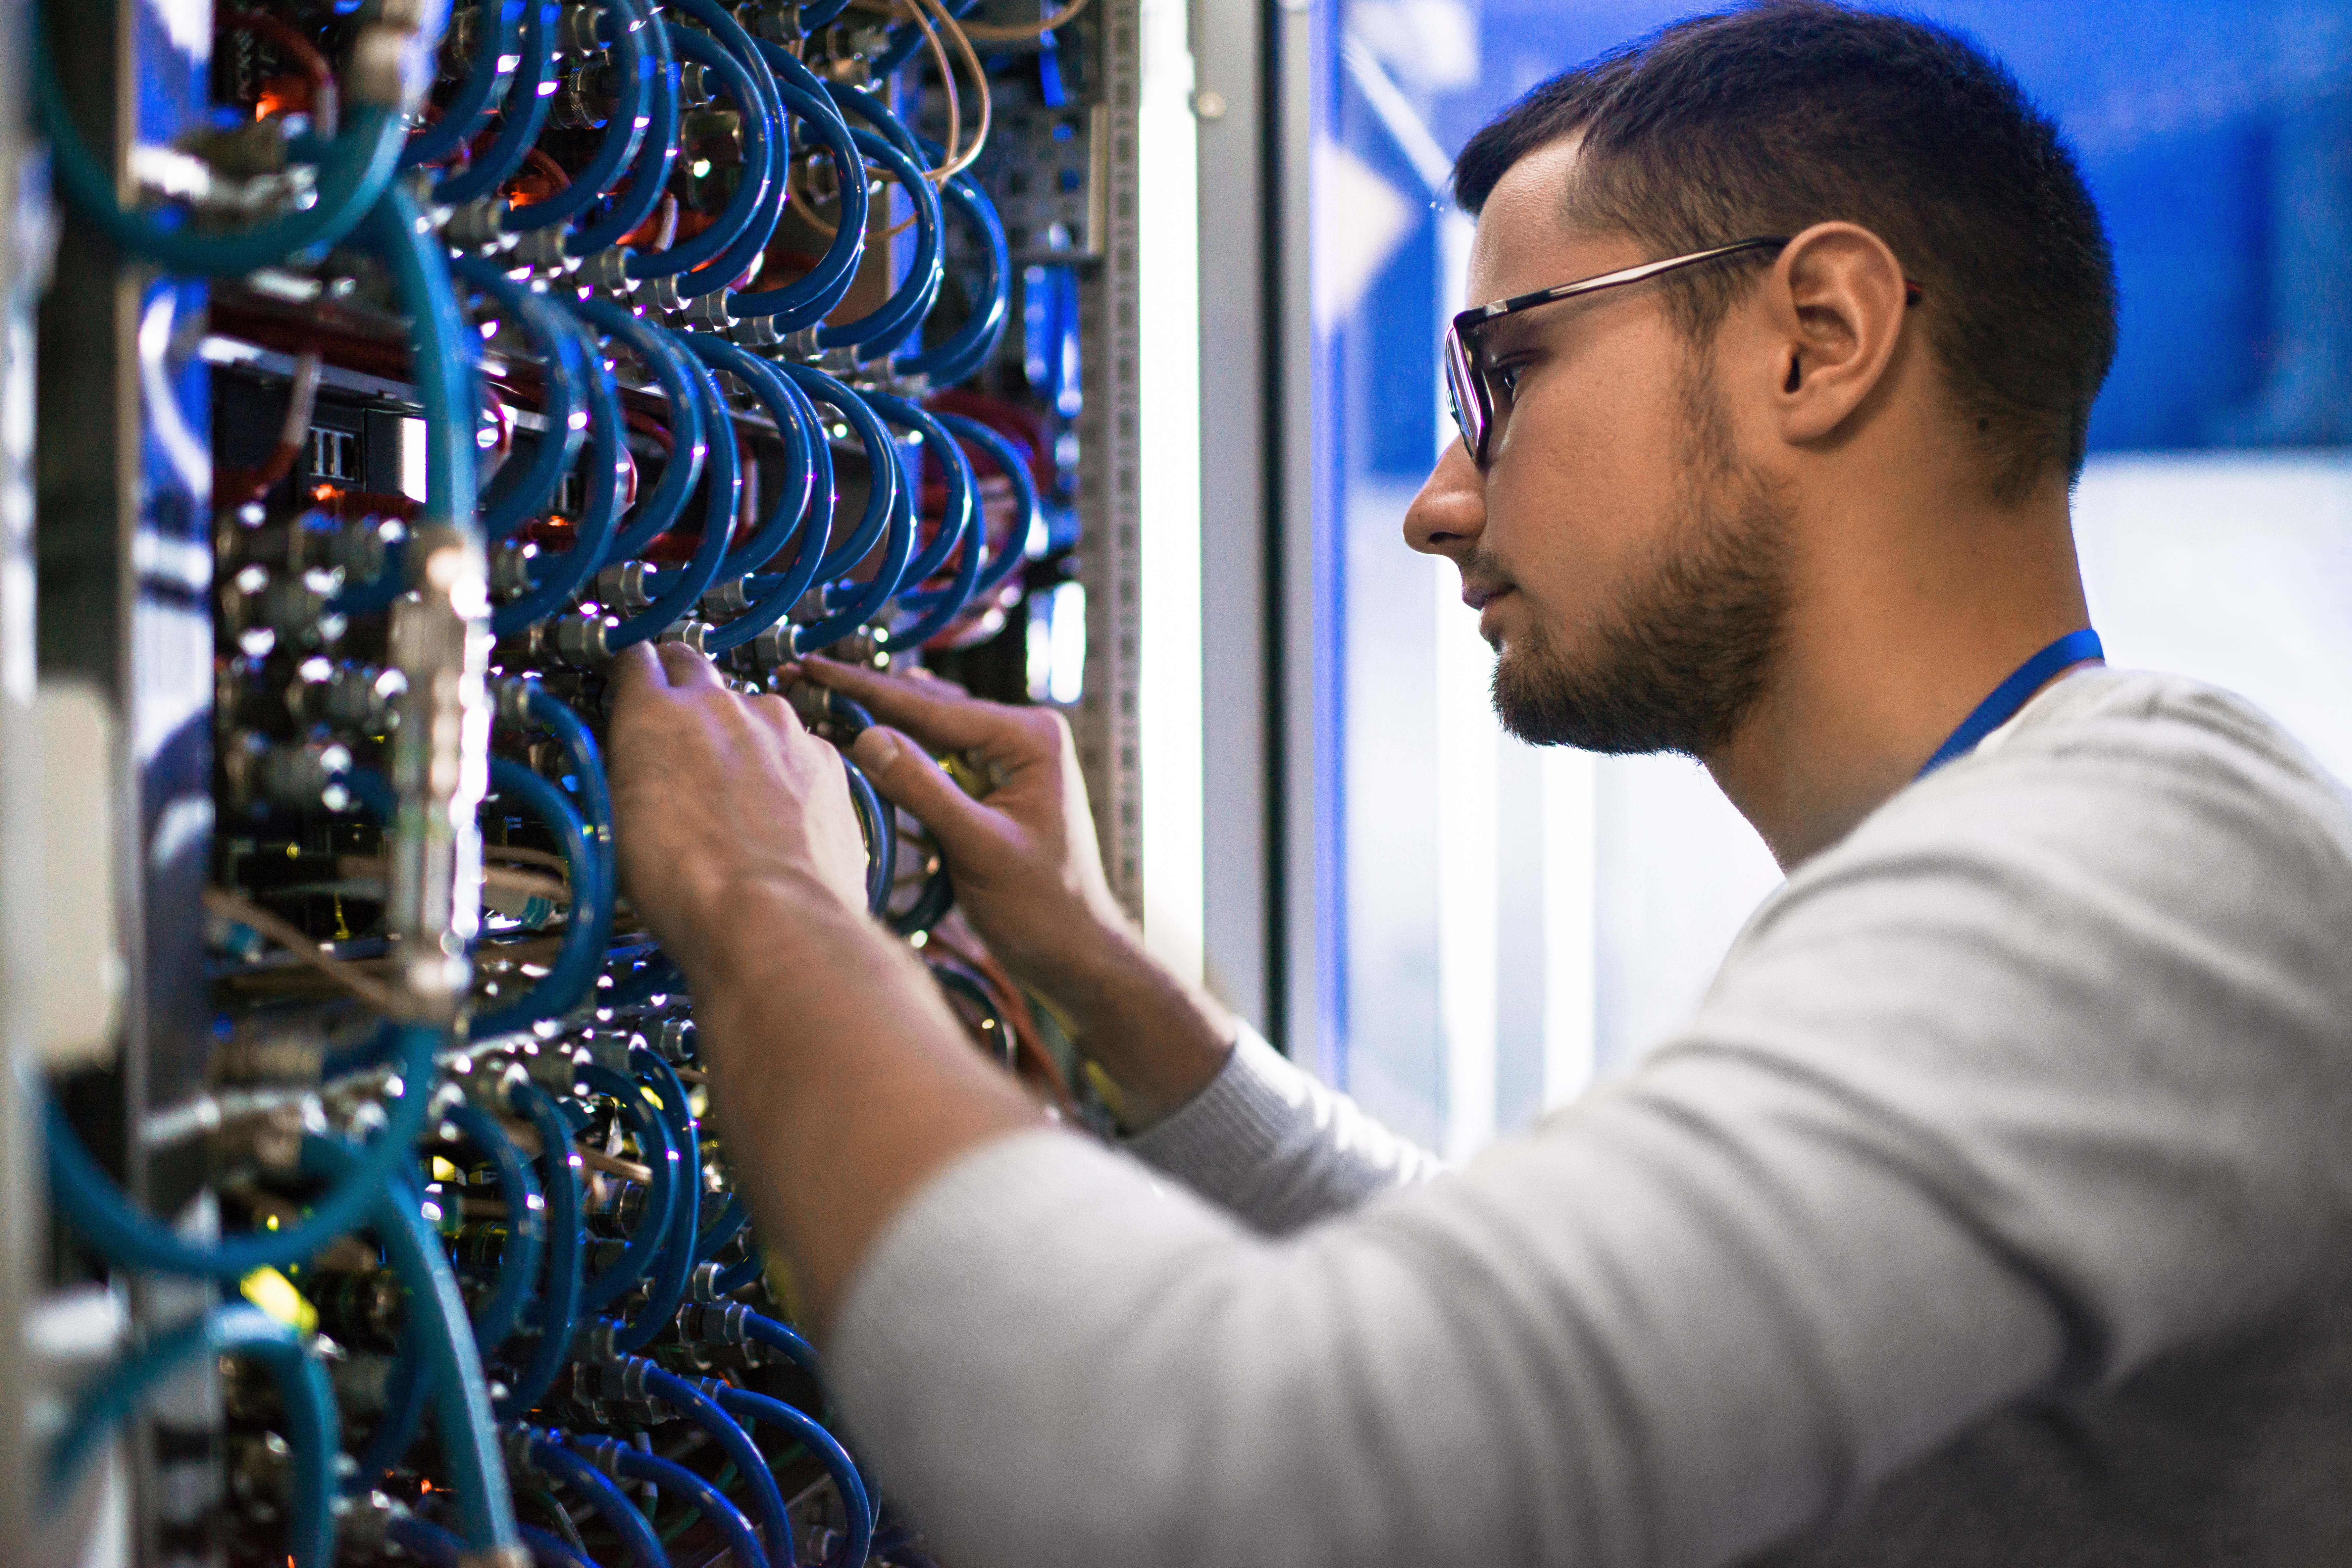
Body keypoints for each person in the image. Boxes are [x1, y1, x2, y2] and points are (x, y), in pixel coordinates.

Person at [602, 3, 2352, 1564]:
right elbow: (1576, 1360)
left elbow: (1240, 1469)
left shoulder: (2134, 880)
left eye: (1504, 372)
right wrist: (1116, 988)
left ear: (1817, 334)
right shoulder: (2078, 860)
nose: (1439, 500)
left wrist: (766, 905)